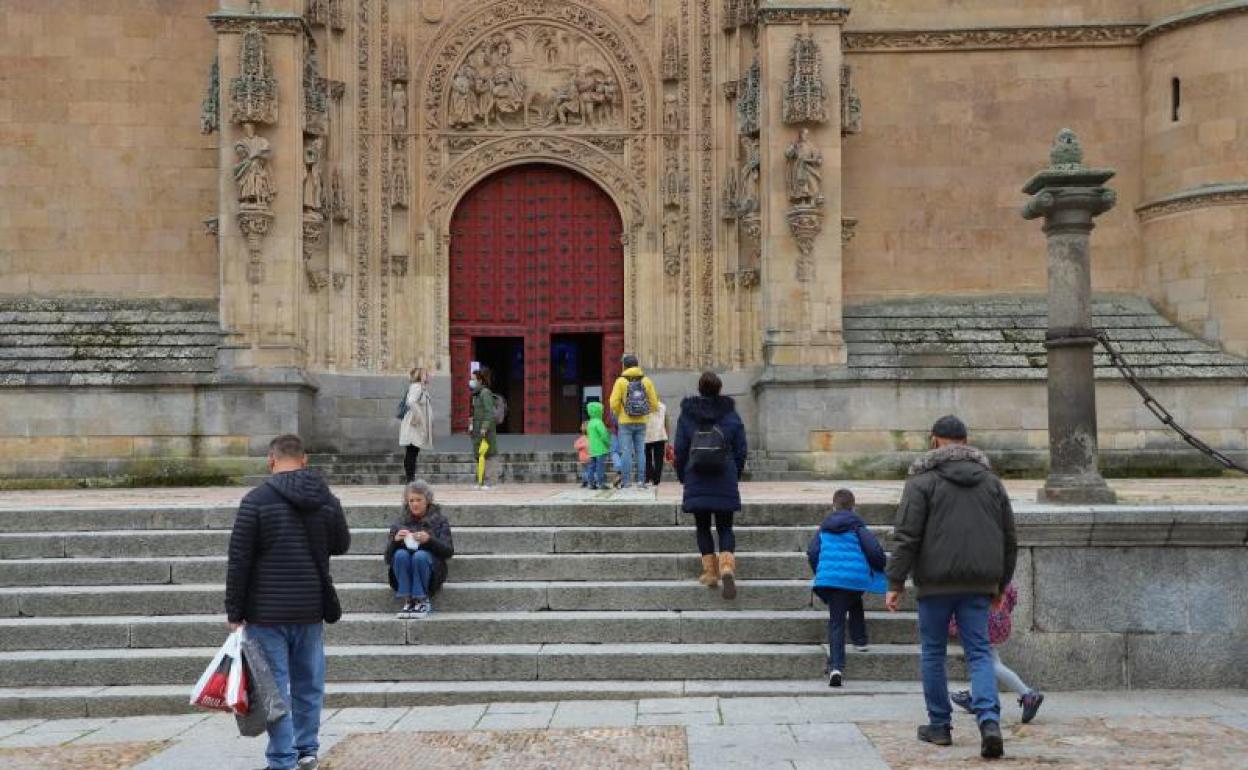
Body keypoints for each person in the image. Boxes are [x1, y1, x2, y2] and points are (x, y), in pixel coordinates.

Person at [885, 415, 1017, 761]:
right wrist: (1001, 584)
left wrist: (895, 581)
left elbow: (907, 535)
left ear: (934, 440)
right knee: (979, 653)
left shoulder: (921, 481)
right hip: (979, 583)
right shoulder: (991, 482)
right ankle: (989, 722)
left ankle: (940, 726)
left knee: (933, 652)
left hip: (935, 582)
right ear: (966, 441)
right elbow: (1009, 537)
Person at [225, 434, 351, 770]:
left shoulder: (256, 500)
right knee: (309, 683)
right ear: (304, 460)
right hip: (310, 607)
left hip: (266, 611)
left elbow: (239, 560)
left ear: (271, 460)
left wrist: (234, 611)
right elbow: (342, 544)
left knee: (275, 688)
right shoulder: (325, 498)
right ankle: (307, 750)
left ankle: (282, 758)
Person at [673, 371, 747, 599]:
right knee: (725, 527)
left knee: (702, 526)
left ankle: (710, 573)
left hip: (697, 476)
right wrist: (735, 472)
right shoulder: (731, 415)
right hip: (724, 475)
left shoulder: (687, 415)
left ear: (699, 389)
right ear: (719, 389)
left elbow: (680, 450)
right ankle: (727, 567)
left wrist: (683, 475)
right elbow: (741, 449)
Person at [807, 488, 887, 688]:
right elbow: (874, 550)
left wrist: (821, 571)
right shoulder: (857, 526)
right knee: (853, 596)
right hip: (855, 579)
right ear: (854, 507)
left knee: (836, 621)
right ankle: (859, 640)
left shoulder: (824, 528)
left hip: (831, 580)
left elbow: (812, 551)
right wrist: (880, 566)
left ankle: (836, 668)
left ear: (833, 506)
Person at [949, 583, 1045, 724]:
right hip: (997, 617)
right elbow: (1011, 593)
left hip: (981, 619)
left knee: (987, 662)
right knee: (989, 659)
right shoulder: (999, 572)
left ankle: (1027, 694)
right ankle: (976, 696)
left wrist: (954, 622)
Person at [384, 480, 454, 619]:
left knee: (420, 556)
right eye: (411, 500)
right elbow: (387, 558)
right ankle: (408, 600)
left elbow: (448, 551)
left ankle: (422, 600)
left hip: (432, 571)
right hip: (404, 570)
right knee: (400, 554)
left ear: (427, 500)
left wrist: (429, 540)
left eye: (418, 500)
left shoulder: (439, 521)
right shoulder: (400, 522)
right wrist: (395, 541)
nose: (414, 504)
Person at [608, 354, 660, 489]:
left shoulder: (620, 381)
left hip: (625, 422)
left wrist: (620, 412)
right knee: (641, 451)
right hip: (642, 421)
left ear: (624, 366)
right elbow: (655, 404)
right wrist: (644, 412)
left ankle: (626, 482)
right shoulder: (646, 381)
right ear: (637, 365)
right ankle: (641, 481)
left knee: (626, 451)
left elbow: (613, 403)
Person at [399, 367, 434, 483]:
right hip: (414, 425)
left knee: (413, 451)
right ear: (420, 376)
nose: (428, 376)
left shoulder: (421, 388)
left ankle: (410, 478)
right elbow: (411, 402)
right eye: (425, 374)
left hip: (416, 425)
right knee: (412, 451)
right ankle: (410, 479)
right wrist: (419, 416)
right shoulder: (417, 387)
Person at [469, 367, 499, 489]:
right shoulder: (476, 394)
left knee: (489, 455)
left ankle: (490, 482)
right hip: (477, 429)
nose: (471, 381)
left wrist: (485, 427)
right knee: (479, 455)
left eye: (473, 379)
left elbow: (488, 411)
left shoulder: (485, 393)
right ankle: (480, 481)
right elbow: (475, 412)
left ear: (480, 380)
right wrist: (471, 425)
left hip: (485, 430)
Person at [585, 401, 612, 490]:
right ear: (599, 411)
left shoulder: (590, 423)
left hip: (592, 449)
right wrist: (608, 443)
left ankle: (591, 483)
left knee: (591, 467)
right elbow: (604, 435)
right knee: (600, 467)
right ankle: (601, 483)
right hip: (600, 449)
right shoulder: (599, 422)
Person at [644, 400, 669, 487]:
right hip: (660, 435)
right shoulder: (663, 406)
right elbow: (666, 422)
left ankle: (649, 476)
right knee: (659, 459)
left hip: (646, 435)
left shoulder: (643, 405)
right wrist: (667, 435)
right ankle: (656, 479)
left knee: (647, 457)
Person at [574, 422, 590, 487]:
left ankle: (584, 482)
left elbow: (576, 446)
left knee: (585, 470)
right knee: (589, 470)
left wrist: (582, 446)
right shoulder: (591, 438)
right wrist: (584, 446)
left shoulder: (581, 439)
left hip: (583, 458)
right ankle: (588, 481)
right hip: (589, 457)